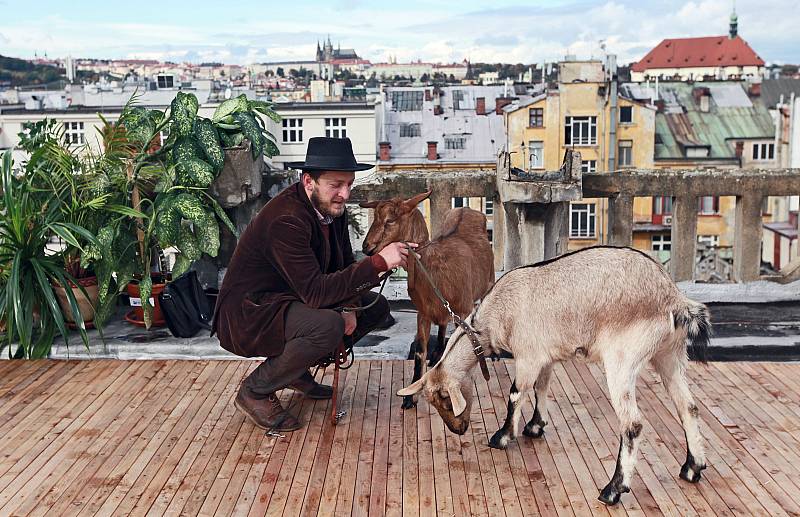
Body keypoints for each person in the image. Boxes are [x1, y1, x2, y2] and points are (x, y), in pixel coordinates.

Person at [212, 137, 415, 432]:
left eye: (349, 184)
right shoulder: (287, 219)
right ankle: (255, 390)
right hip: (249, 313)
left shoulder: (331, 209)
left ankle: (293, 370)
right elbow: (316, 292)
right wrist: (379, 263)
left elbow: (344, 265)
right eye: (336, 185)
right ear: (309, 181)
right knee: (326, 327)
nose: (344, 194)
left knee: (375, 308)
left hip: (288, 300)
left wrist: (350, 306)